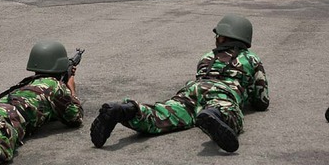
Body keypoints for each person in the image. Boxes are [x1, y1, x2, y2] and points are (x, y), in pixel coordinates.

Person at [90, 14, 269, 153]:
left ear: (224, 37)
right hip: (223, 92)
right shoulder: (252, 59)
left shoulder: (207, 57)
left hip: (192, 90)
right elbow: (261, 99)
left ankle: (127, 110)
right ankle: (214, 114)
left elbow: (202, 78)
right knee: (229, 112)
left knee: (164, 113)